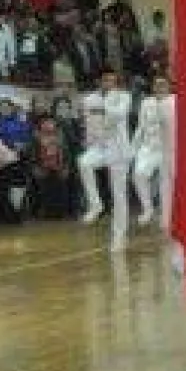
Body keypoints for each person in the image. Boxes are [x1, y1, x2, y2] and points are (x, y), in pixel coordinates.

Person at [77, 69, 134, 251]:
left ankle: (119, 237)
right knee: (84, 162)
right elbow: (89, 123)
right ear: (99, 81)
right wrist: (89, 141)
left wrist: (103, 107)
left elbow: (119, 114)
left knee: (118, 194)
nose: (109, 84)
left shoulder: (124, 96)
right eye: (106, 80)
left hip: (119, 150)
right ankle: (95, 204)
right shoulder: (89, 99)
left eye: (113, 81)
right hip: (100, 146)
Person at [130, 74, 173, 230]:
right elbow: (140, 127)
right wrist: (133, 149)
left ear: (169, 87)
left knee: (165, 184)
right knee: (139, 174)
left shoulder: (174, 101)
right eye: (157, 85)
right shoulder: (146, 103)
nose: (160, 87)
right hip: (148, 147)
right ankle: (148, 209)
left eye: (163, 84)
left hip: (166, 149)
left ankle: (167, 216)